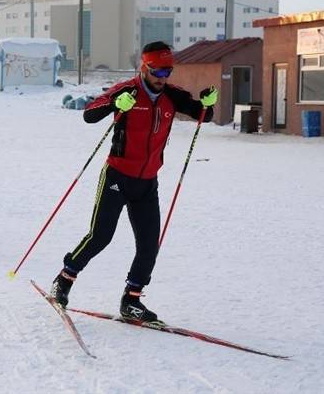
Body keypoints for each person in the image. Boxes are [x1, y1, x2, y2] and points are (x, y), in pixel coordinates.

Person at [48, 41, 219, 322]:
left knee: (150, 242)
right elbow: (89, 114)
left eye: (168, 72)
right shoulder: (128, 90)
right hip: (116, 175)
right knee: (100, 236)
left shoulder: (172, 96)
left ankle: (132, 300)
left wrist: (208, 105)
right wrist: (115, 104)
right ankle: (64, 280)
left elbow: (203, 114)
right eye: (157, 72)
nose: (163, 78)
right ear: (145, 67)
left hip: (147, 182)